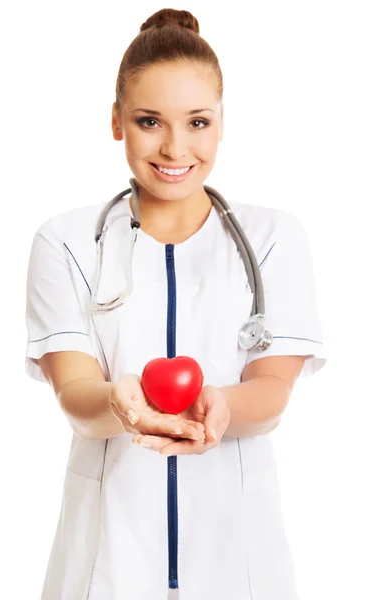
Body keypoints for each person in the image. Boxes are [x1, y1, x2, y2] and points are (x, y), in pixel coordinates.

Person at [24, 8, 326, 600]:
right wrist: (119, 401)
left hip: (238, 561)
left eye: (197, 122)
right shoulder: (65, 242)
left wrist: (220, 408)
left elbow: (271, 394)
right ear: (117, 121)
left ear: (221, 125)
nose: (175, 147)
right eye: (148, 121)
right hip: (105, 564)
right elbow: (75, 398)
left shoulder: (273, 239)